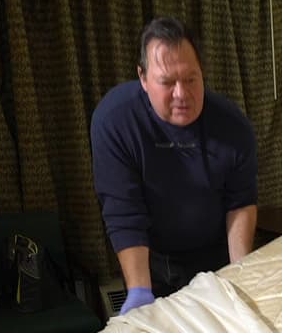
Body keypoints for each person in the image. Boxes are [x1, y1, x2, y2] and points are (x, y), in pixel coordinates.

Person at [91, 17, 258, 315]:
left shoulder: (233, 126)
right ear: (143, 78)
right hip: (151, 257)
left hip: (214, 253)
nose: (181, 94)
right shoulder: (115, 121)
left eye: (191, 79)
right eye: (167, 82)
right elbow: (124, 213)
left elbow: (240, 203)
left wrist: (240, 273)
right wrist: (139, 290)